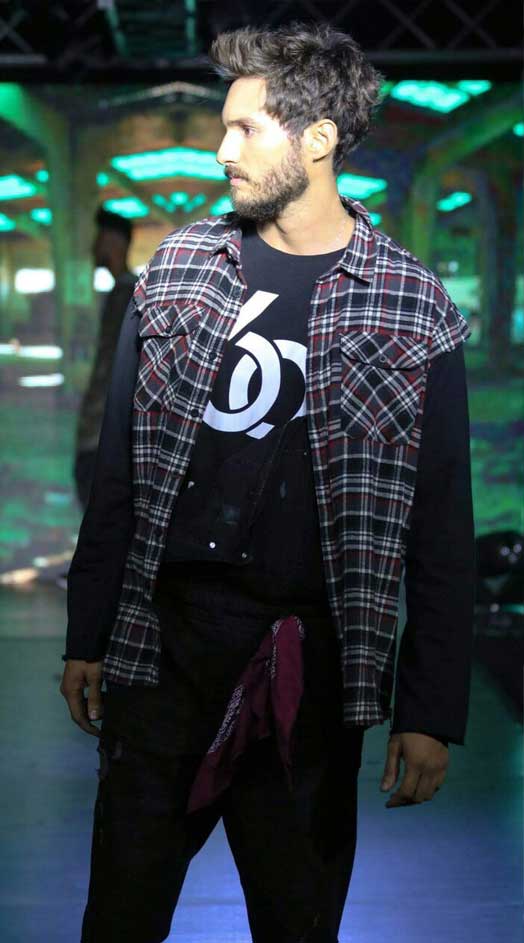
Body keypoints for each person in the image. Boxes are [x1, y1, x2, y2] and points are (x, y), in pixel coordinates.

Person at [60, 22, 475, 943]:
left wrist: (430, 709)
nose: (223, 150)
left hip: (312, 666)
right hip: (165, 651)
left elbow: (441, 526)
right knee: (117, 919)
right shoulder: (175, 272)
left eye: (246, 128)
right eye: (225, 126)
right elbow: (122, 475)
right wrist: (87, 632)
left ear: (318, 138)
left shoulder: (413, 306)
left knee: (297, 926)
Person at [74, 207, 137, 511]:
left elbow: (114, 368)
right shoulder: (122, 291)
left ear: (114, 242)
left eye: (99, 239)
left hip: (103, 438)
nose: (93, 248)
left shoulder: (128, 294)